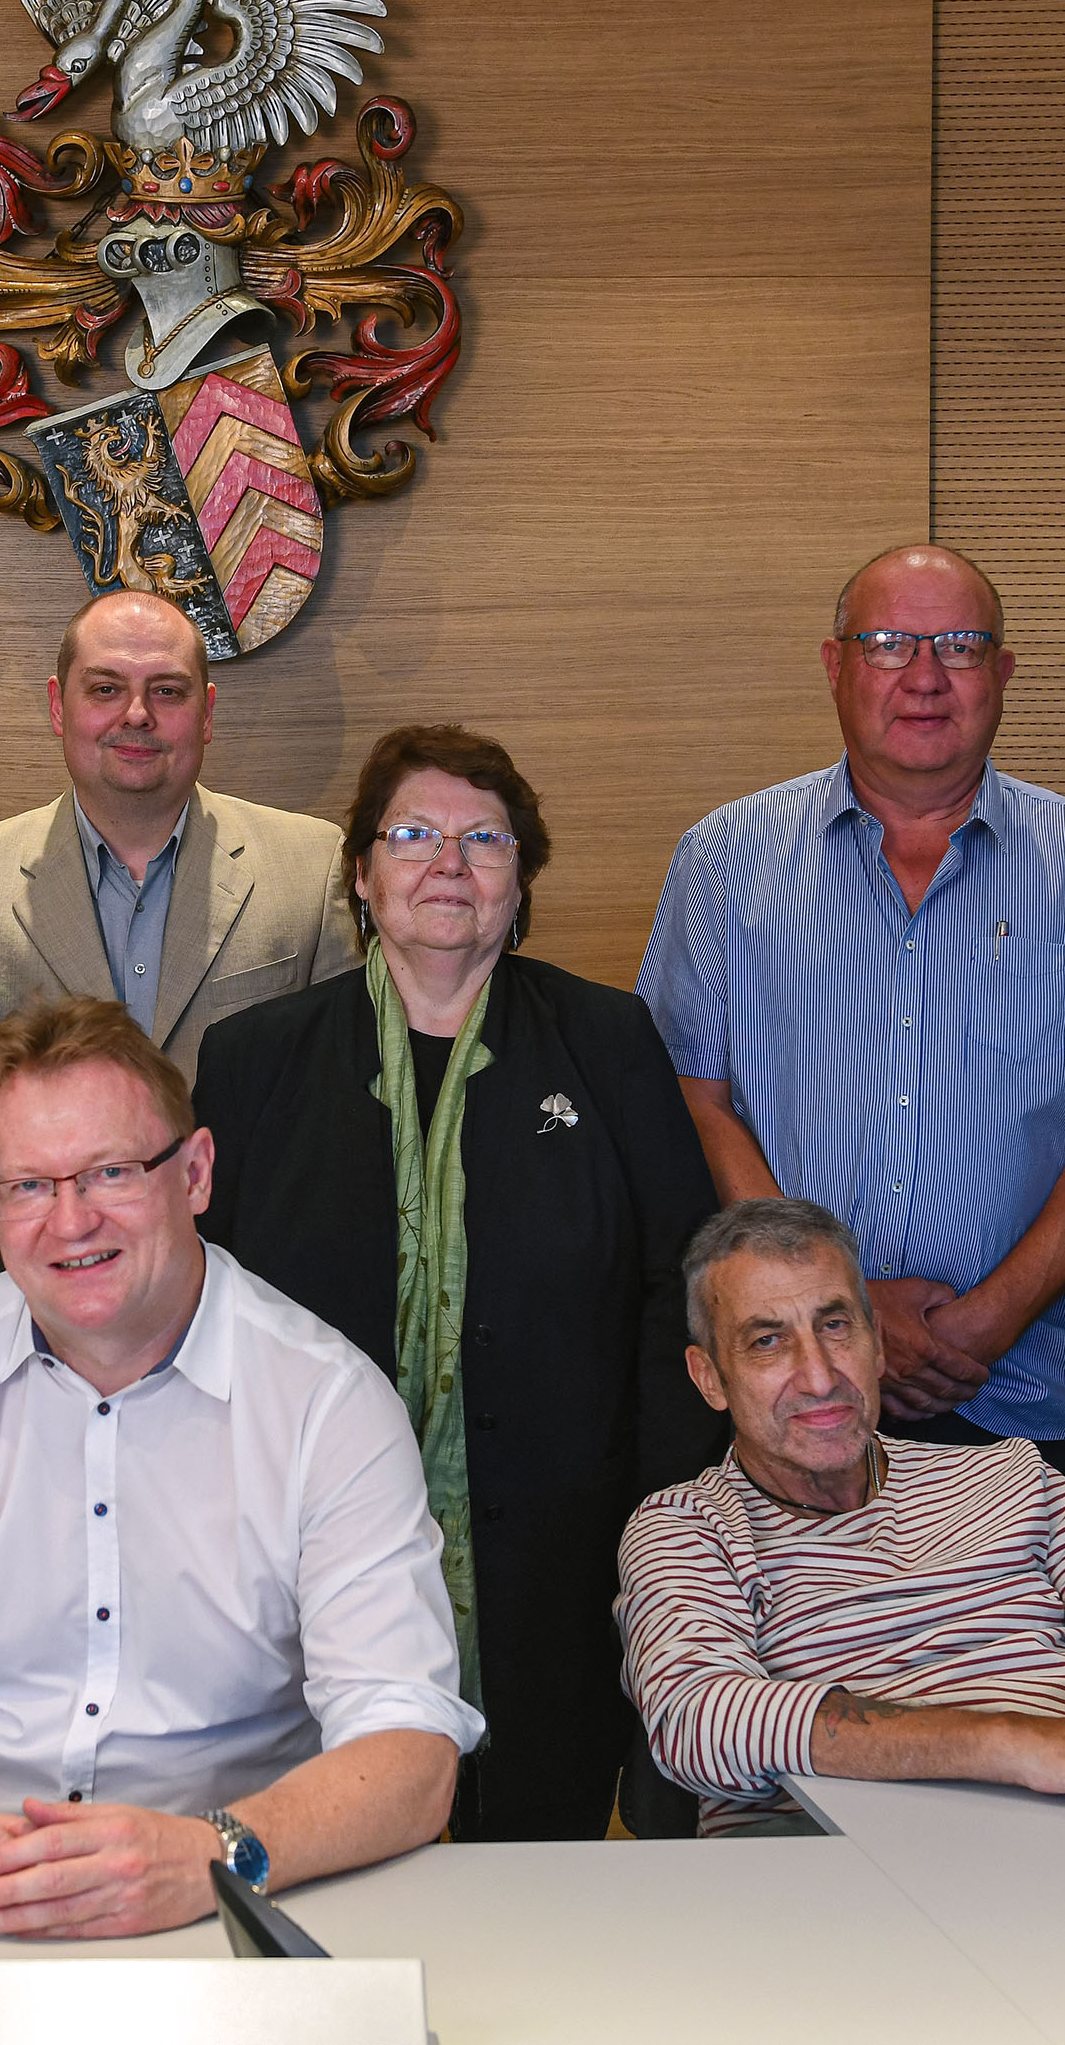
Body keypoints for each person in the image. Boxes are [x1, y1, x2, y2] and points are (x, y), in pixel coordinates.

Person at [0, 997, 481, 1939]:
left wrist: (211, 1853)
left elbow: (409, 1747)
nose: (70, 1221)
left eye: (108, 1172)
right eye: (28, 1186)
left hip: (227, 1906)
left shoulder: (325, 1405)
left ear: (195, 1173)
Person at [193, 723, 725, 1840]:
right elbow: (205, 1309)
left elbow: (681, 1285)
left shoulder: (606, 1038)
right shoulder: (253, 1059)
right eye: (416, 834)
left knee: (537, 1885)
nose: (449, 862)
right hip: (306, 1563)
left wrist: (659, 1527)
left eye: (484, 837)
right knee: (335, 1855)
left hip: (559, 1569)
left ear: (519, 875)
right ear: (362, 871)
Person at [638, 543, 1065, 1504]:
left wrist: (983, 1323)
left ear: (1003, 674)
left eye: (962, 646)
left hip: (1019, 1395)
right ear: (835, 665)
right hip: (783, 1396)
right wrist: (836, 1317)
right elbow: (694, 1103)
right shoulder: (725, 862)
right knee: (794, 1662)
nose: (926, 677)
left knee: (1030, 1661)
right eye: (890, 643)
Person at [619, 1198, 1065, 1833]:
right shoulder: (685, 1527)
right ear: (708, 1378)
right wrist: (1021, 1747)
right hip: (841, 1892)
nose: (818, 1377)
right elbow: (696, 1719)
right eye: (766, 1341)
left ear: (876, 1344)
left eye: (835, 1325)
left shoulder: (1011, 1476)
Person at [0, 589, 358, 1076]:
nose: (137, 713)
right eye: (105, 689)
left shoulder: (314, 868)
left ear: (206, 713)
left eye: (167, 691)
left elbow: (342, 1086)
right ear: (58, 706)